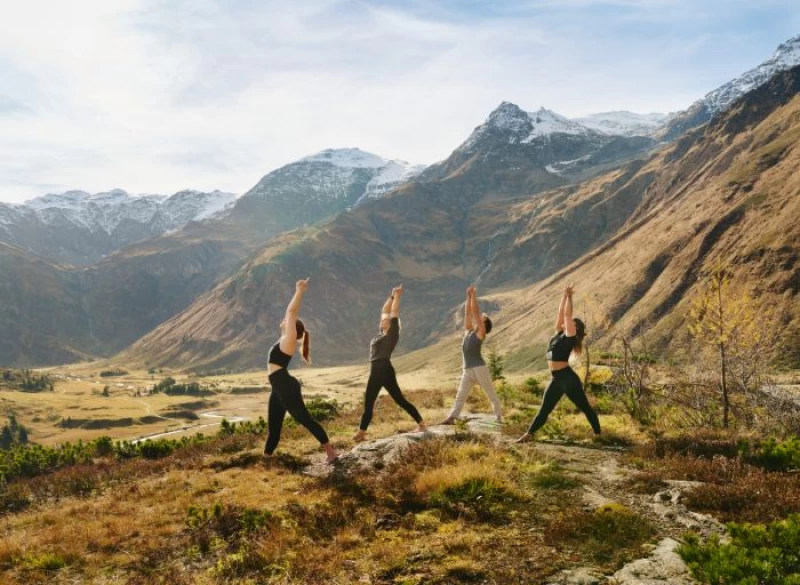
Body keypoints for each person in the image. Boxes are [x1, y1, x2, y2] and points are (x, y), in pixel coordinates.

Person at [264, 278, 338, 463]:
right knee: (274, 426)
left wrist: (299, 291)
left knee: (304, 419)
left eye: (289, 321)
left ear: (292, 328)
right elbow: (288, 314)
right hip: (278, 387)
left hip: (285, 386)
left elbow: (291, 311)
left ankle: (331, 452)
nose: (285, 319)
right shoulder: (284, 339)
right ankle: (266, 459)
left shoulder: (289, 341)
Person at [515, 285, 601, 443]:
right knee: (544, 409)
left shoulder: (570, 336)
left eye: (571, 323)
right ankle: (528, 435)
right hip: (556, 378)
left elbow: (567, 316)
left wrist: (570, 298)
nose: (566, 323)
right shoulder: (558, 334)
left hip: (568, 379)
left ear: (574, 328)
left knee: (585, 408)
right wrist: (564, 296)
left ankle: (598, 435)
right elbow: (562, 315)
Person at [353, 285, 427, 442]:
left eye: (386, 320)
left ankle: (361, 432)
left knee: (371, 400)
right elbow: (384, 310)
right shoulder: (381, 333)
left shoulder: (392, 334)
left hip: (381, 368)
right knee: (397, 399)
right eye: (382, 320)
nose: (383, 320)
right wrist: (392, 296)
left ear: (392, 324)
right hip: (381, 368)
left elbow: (393, 313)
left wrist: (398, 297)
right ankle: (421, 424)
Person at [440, 285, 503, 425]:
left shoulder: (481, 333)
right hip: (467, 369)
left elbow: (475, 312)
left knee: (490, 394)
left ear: (484, 325)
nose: (480, 317)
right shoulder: (469, 330)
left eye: (483, 319)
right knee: (460, 396)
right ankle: (452, 418)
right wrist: (468, 297)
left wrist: (474, 295)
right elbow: (468, 314)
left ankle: (499, 418)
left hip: (479, 368)